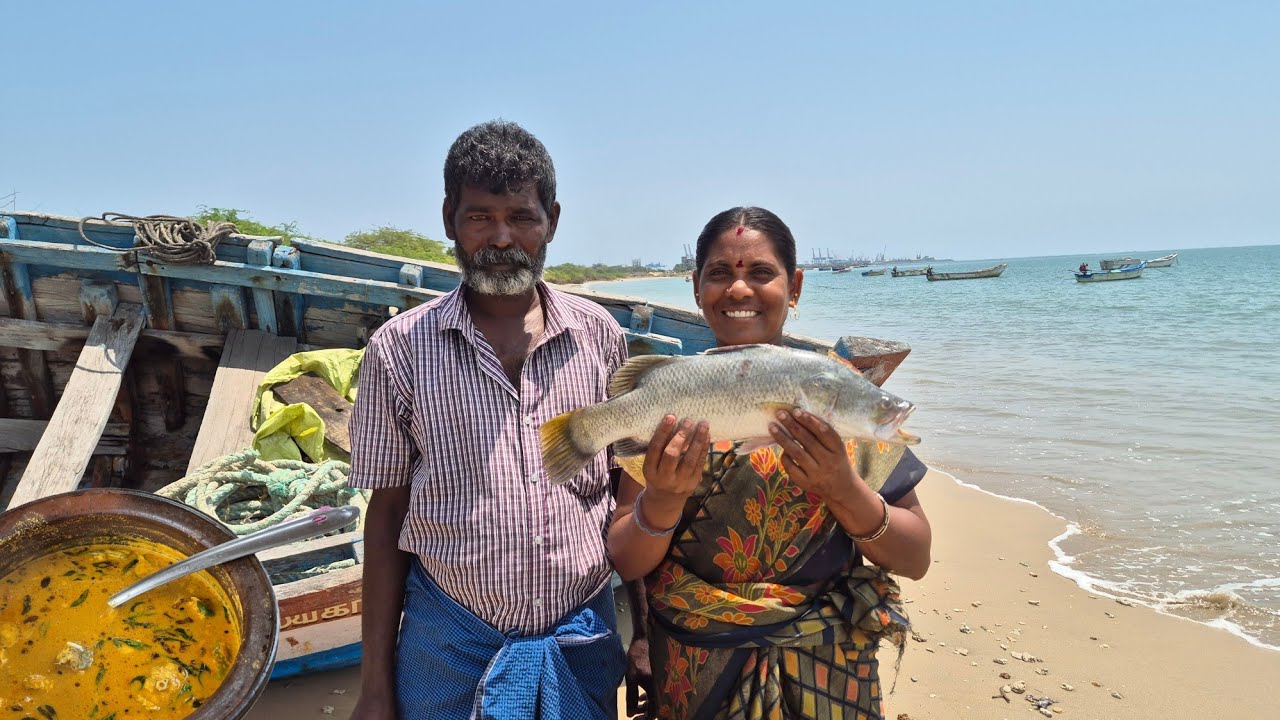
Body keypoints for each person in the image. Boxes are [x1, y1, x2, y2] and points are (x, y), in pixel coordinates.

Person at [348, 120, 627, 720]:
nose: (502, 238)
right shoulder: (399, 349)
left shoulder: (599, 337)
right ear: (450, 219)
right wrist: (374, 686)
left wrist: (647, 636)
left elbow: (626, 492)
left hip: (580, 634)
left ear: (552, 219)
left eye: (521, 217)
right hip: (450, 642)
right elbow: (388, 513)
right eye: (480, 217)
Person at [609, 207, 933, 719]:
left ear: (795, 286)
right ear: (696, 288)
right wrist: (664, 499)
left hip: (827, 668)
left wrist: (843, 488)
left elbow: (915, 560)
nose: (739, 289)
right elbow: (627, 561)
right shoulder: (673, 400)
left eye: (761, 272)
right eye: (720, 273)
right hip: (694, 670)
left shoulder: (841, 398)